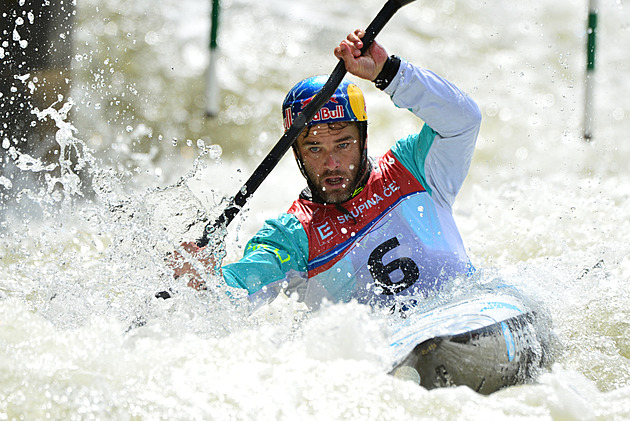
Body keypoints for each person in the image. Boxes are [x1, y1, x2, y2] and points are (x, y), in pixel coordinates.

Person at [172, 29, 482, 311]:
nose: (331, 164)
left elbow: (464, 120)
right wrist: (201, 282)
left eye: (343, 145)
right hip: (392, 355)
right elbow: (235, 299)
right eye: (315, 149)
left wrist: (390, 73)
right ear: (296, 153)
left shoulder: (413, 168)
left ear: (364, 140)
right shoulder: (292, 237)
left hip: (466, 313)